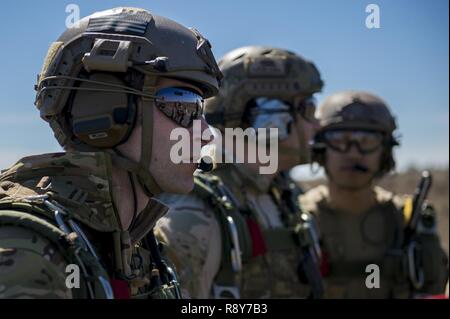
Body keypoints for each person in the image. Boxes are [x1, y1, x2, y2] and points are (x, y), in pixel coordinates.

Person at [0, 6, 222, 299]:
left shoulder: (137, 246)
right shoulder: (28, 254)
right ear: (107, 109)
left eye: (200, 110)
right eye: (184, 107)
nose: (206, 134)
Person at [156, 46, 325, 298]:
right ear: (269, 118)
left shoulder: (282, 194)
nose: (318, 124)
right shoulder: (196, 215)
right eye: (309, 109)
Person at [300, 90, 448, 298]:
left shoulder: (406, 220)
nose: (353, 153)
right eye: (340, 139)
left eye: (367, 141)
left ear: (385, 152)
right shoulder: (299, 220)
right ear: (321, 149)